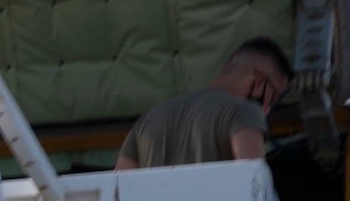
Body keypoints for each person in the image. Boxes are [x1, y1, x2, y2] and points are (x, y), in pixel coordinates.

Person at [114, 37, 292, 170]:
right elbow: (253, 184)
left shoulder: (148, 119)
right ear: (259, 82)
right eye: (273, 97)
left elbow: (118, 193)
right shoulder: (245, 112)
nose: (267, 108)